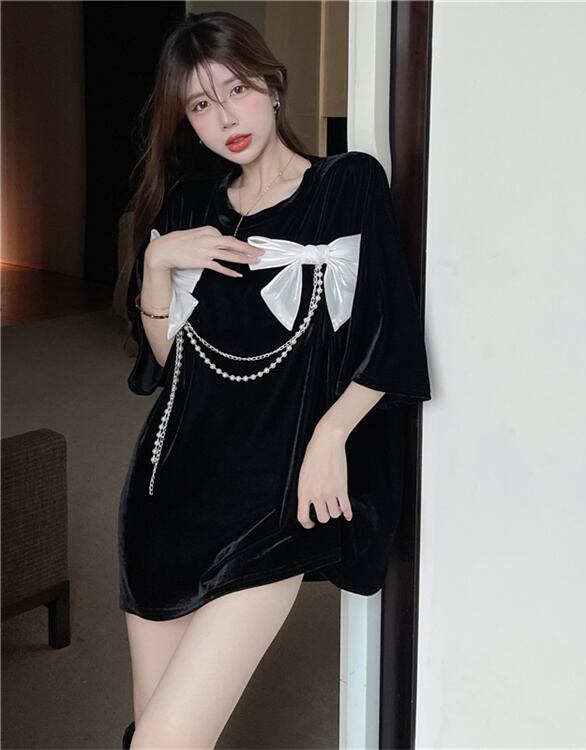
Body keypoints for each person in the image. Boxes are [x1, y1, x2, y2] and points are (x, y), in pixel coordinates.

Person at [118, 11, 431, 749]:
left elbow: (391, 334)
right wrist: (158, 264)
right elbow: (171, 363)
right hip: (167, 494)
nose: (226, 117)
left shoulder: (347, 184)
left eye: (237, 89)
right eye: (201, 104)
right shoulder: (190, 207)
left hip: (270, 505)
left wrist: (330, 435)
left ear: (272, 85)